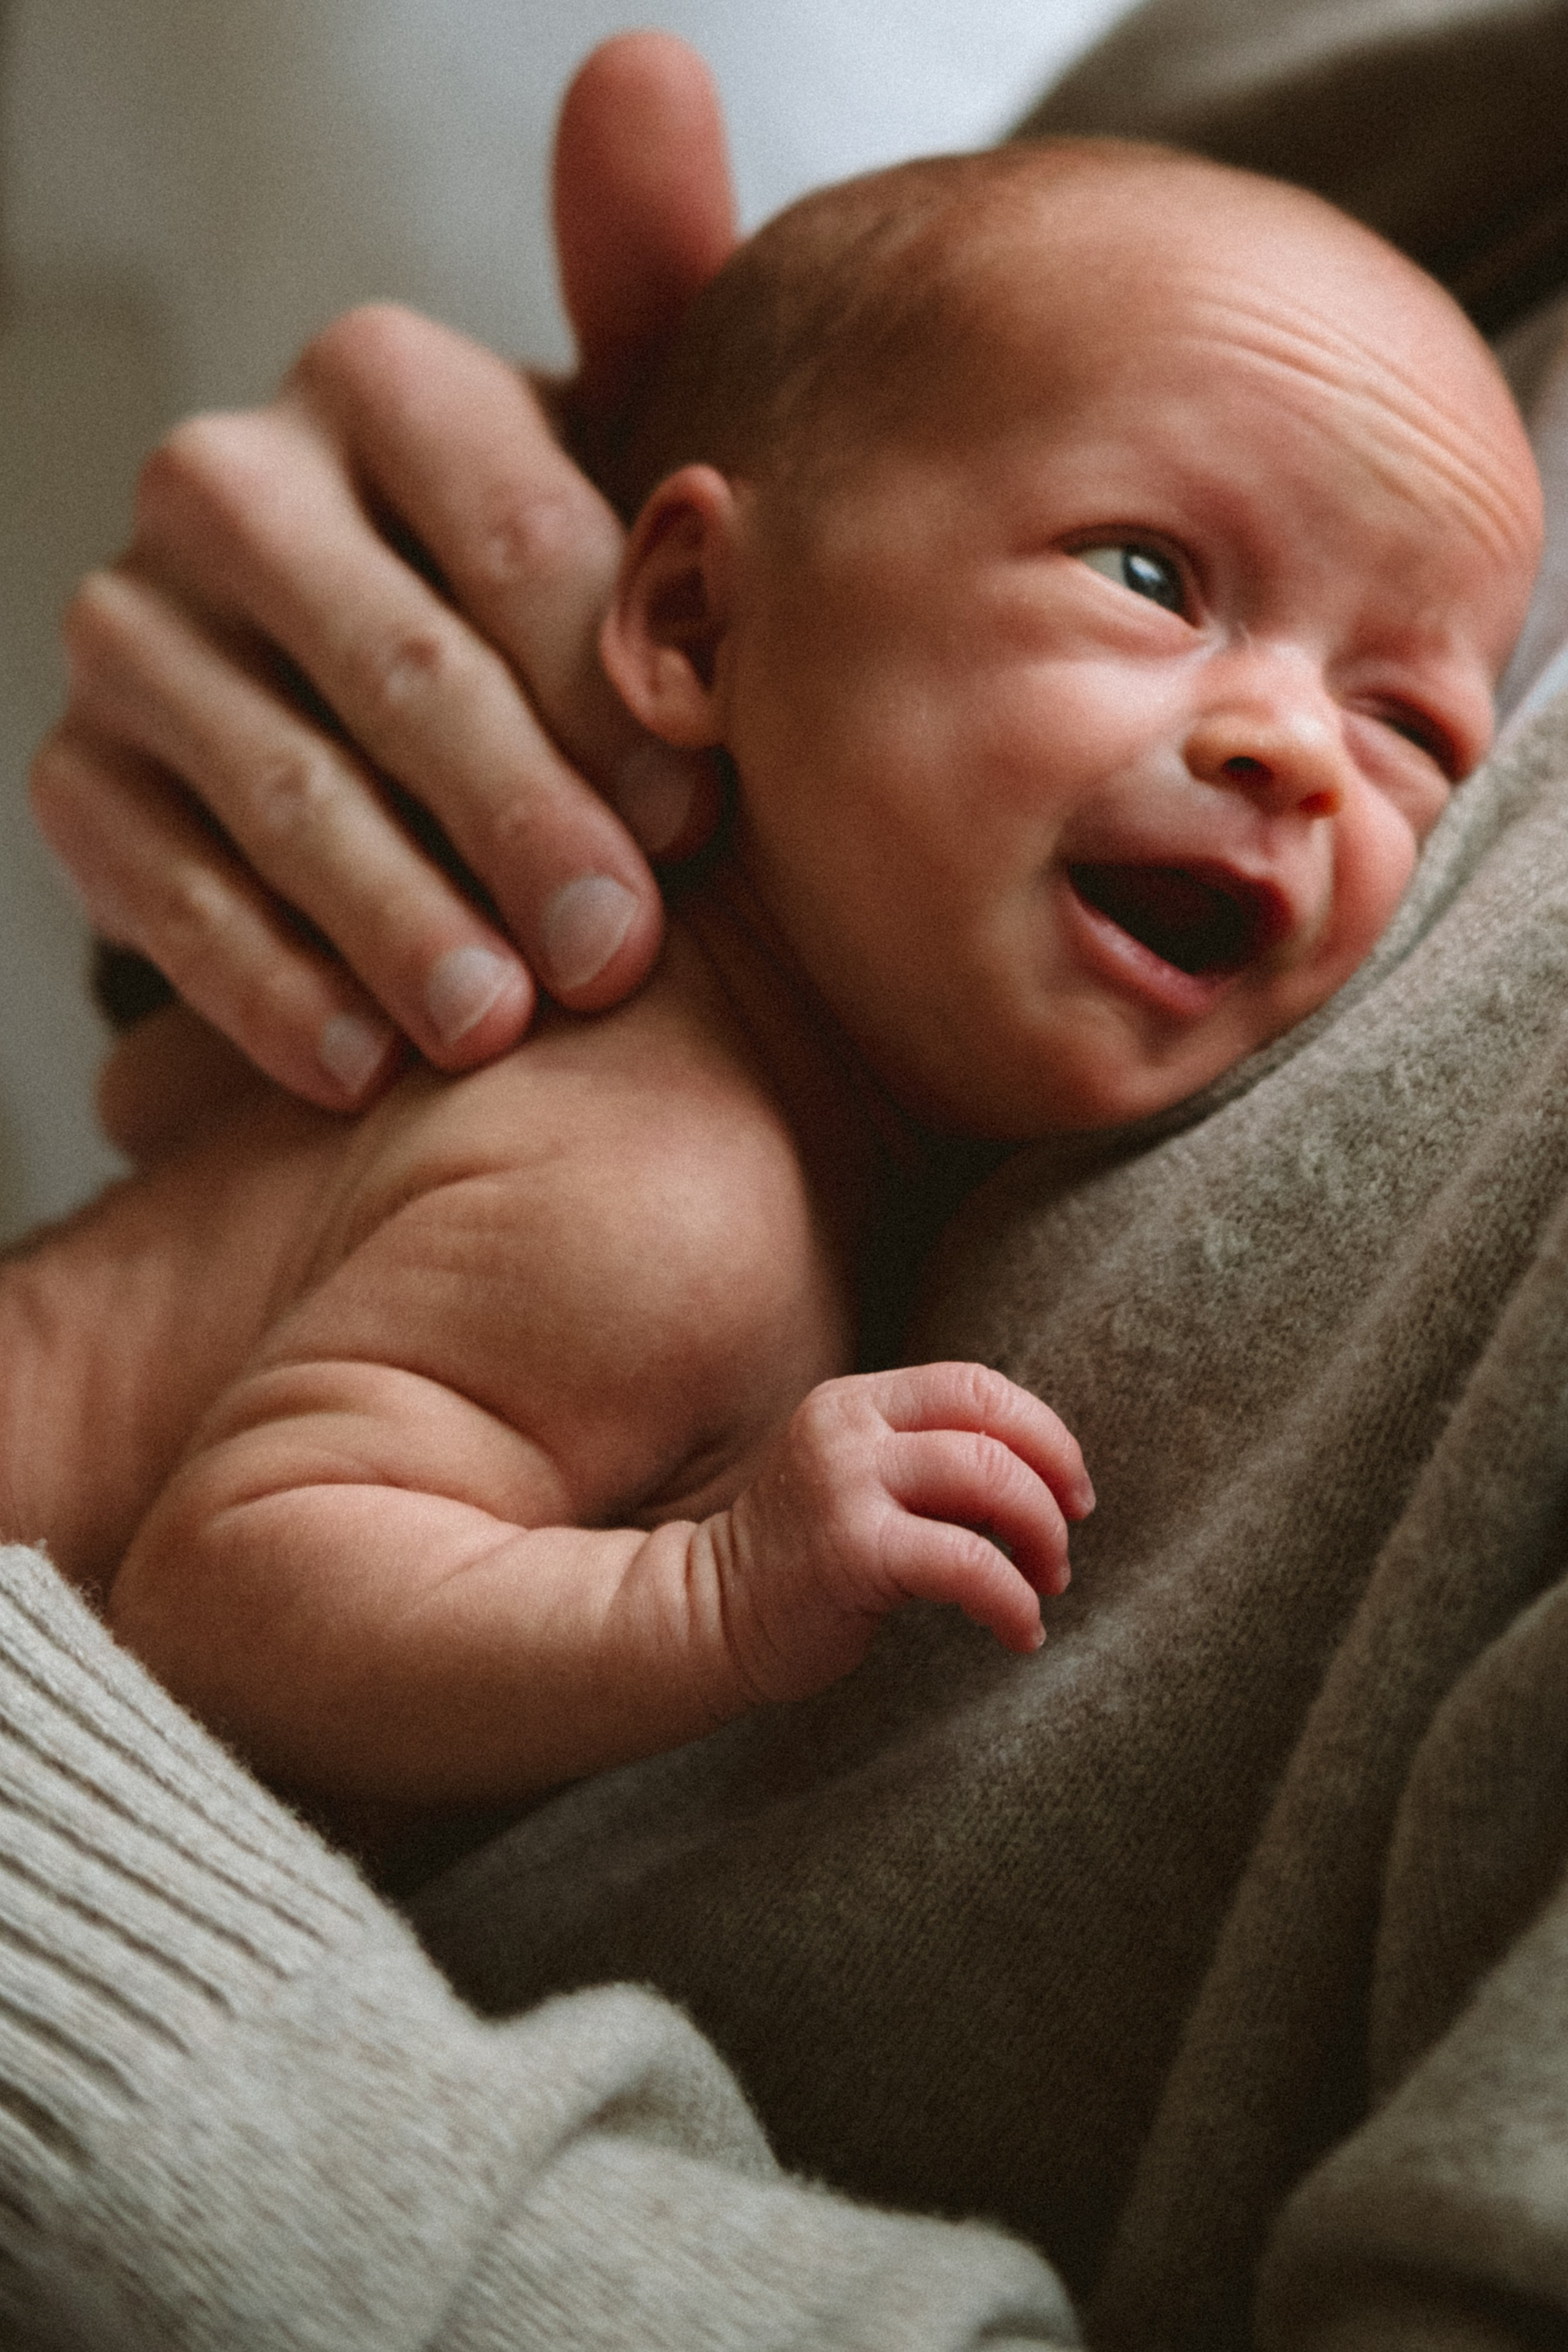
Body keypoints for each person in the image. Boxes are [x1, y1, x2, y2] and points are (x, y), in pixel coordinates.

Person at [19, 15, 1568, 2351]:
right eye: (1153, 574)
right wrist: (710, 1598)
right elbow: (234, 1596)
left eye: (1417, 728)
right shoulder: (680, 1190)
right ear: (684, 625)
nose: (1286, 749)